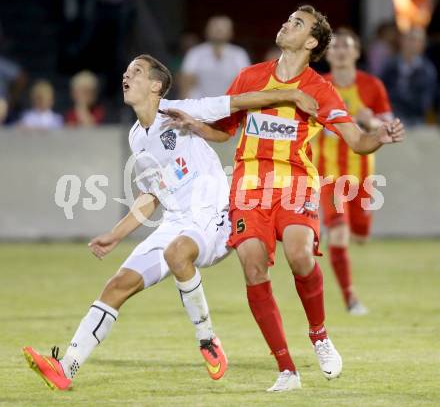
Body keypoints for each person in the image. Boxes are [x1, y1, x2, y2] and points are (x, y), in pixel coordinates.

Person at [22, 54, 319, 391]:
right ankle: (66, 368)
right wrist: (115, 236)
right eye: (126, 70)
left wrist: (291, 95)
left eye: (136, 71)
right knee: (118, 284)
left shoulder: (181, 110)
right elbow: (151, 195)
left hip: (215, 216)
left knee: (177, 253)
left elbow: (241, 100)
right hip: (176, 222)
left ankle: (207, 340)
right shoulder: (137, 135)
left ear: (156, 86)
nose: (126, 75)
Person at [165, 5, 404, 392]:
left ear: (311, 42)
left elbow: (358, 141)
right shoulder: (250, 76)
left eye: (297, 23)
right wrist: (195, 124)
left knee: (299, 255)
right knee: (253, 266)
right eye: (288, 19)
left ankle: (320, 335)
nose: (285, 24)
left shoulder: (319, 89)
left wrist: (381, 137)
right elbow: (226, 131)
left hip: (294, 183)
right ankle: (287, 370)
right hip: (249, 186)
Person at [313, 28, 394, 314]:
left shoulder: (372, 86)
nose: (341, 51)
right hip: (328, 176)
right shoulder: (318, 85)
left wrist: (369, 121)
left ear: (357, 52)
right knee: (339, 233)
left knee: (360, 236)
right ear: (327, 53)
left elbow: (388, 126)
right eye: (335, 47)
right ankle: (351, 299)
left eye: (347, 45)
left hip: (363, 177)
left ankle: (348, 238)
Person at [178, 16, 250, 98]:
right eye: (214, 26)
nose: (218, 30)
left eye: (223, 27)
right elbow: (186, 82)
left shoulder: (239, 54)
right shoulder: (195, 53)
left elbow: (246, 83)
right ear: (206, 30)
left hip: (229, 106)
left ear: (231, 33)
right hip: (199, 106)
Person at [381, 27, 437, 126]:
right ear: (402, 41)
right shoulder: (389, 65)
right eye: (411, 39)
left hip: (415, 121)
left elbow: (425, 102)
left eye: (419, 41)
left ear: (423, 45)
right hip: (390, 120)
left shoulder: (427, 70)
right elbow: (381, 92)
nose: (414, 44)